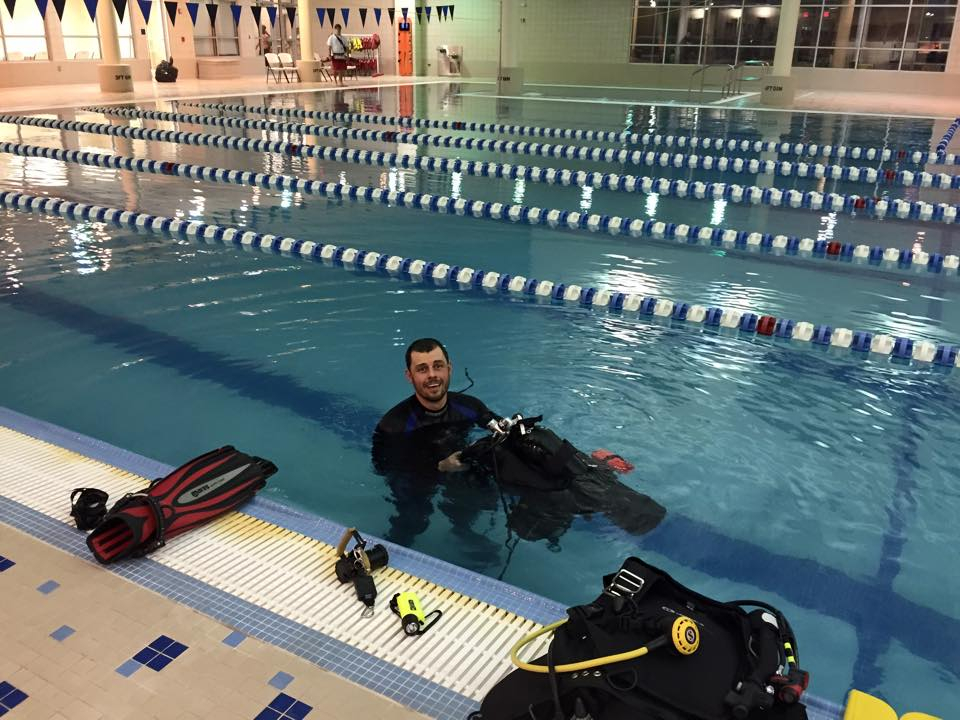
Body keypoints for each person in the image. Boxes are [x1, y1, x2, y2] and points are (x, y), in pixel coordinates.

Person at [371, 338, 503, 559]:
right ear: (409, 376)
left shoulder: (469, 407)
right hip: (414, 475)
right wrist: (438, 467)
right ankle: (393, 550)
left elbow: (501, 430)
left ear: (449, 369)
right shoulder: (394, 425)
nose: (432, 375)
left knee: (483, 489)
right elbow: (383, 466)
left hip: (457, 466)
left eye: (438, 366)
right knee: (413, 515)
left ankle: (462, 530)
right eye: (422, 369)